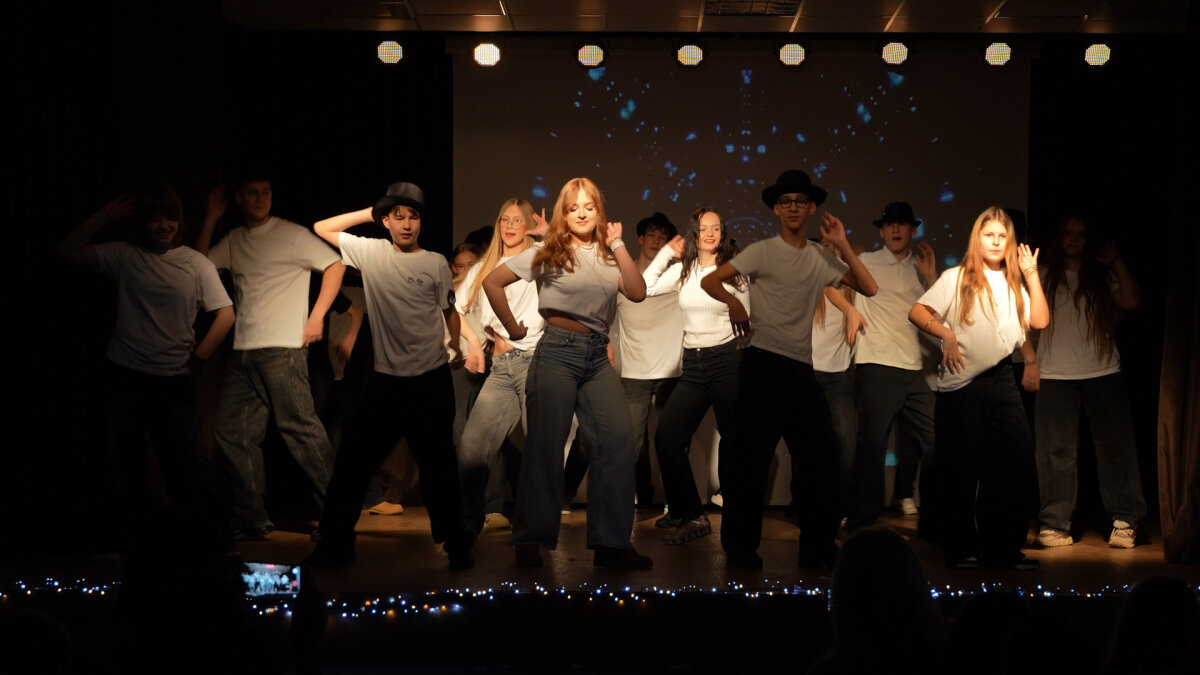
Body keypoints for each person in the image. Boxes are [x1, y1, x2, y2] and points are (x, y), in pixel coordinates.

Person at [700, 169, 878, 569]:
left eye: (800, 201)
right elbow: (712, 281)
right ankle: (741, 551)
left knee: (821, 461)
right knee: (750, 464)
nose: (793, 207)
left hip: (801, 371)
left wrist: (842, 244)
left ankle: (817, 549)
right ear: (776, 209)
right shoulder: (762, 251)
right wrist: (735, 303)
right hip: (762, 365)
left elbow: (868, 287)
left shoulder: (821, 257)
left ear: (811, 208)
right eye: (786, 201)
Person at [483, 177, 652, 569]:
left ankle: (612, 544)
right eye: (573, 207)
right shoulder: (548, 251)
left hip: (596, 356)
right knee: (545, 446)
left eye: (589, 207)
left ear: (599, 212)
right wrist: (512, 328)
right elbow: (493, 282)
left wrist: (619, 244)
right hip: (557, 351)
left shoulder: (610, 255)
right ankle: (530, 539)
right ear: (564, 212)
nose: (581, 213)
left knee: (617, 442)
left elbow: (637, 291)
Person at [57, 188, 235, 556]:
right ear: (144, 223)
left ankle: (205, 544)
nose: (164, 225)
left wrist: (200, 357)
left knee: (188, 462)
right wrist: (105, 215)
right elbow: (67, 251)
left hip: (174, 378)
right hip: (125, 375)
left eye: (170, 218)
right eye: (156, 218)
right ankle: (137, 547)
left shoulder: (194, 262)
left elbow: (226, 313)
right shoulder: (126, 253)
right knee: (126, 464)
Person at [305, 182, 474, 569]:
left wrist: (457, 342)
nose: (407, 224)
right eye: (398, 216)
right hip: (387, 383)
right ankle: (335, 544)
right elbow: (321, 228)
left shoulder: (435, 262)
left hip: (430, 380)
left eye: (413, 216)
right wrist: (372, 211)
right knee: (352, 464)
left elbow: (448, 311)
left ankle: (456, 544)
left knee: (439, 469)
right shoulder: (371, 252)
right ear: (385, 221)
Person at [196, 177, 344, 540]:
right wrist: (212, 217)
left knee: (301, 430)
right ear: (239, 198)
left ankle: (337, 518)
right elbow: (196, 268)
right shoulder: (235, 239)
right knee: (233, 431)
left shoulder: (290, 234)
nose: (261, 199)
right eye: (253, 193)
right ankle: (251, 518)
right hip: (243, 351)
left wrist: (317, 315)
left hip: (283, 348)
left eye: (266, 192)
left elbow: (335, 265)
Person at [909, 205, 1049, 570]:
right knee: (961, 470)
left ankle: (1002, 548)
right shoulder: (956, 277)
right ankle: (961, 548)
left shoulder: (1015, 283)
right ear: (978, 238)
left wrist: (1031, 275)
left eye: (1003, 236)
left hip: (1001, 380)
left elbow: (1039, 320)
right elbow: (918, 312)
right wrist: (946, 334)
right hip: (962, 384)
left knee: (1012, 465)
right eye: (989, 235)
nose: (996, 241)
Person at [1031, 215, 1146, 549]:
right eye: (1068, 233)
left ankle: (1126, 520)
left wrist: (1116, 262)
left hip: (1102, 371)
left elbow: (1131, 300)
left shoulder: (1100, 275)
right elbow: (1029, 319)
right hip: (1054, 374)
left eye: (1080, 234)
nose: (1073, 239)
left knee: (1115, 449)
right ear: (1059, 238)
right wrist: (1031, 362)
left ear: (1088, 239)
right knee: (1055, 453)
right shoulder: (1044, 274)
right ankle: (1055, 523)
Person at [642, 207, 748, 544]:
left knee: (735, 441)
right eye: (704, 228)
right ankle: (692, 515)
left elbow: (747, 319)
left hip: (728, 360)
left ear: (722, 233)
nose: (710, 233)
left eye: (716, 228)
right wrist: (665, 253)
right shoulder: (683, 271)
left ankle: (738, 519)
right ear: (694, 233)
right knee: (667, 439)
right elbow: (644, 287)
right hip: (693, 364)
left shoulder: (734, 270)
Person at [844, 201, 939, 532]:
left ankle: (935, 523)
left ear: (913, 230)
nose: (896, 229)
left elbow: (941, 316)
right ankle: (861, 522)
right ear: (882, 231)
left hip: (915, 370)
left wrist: (931, 278)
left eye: (902, 224)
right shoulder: (866, 262)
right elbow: (829, 283)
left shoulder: (921, 267)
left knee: (934, 443)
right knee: (872, 447)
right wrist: (849, 310)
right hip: (877, 365)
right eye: (890, 225)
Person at [456, 198, 547, 534]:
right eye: (504, 220)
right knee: (472, 448)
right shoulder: (484, 267)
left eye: (517, 220)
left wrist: (547, 237)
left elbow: (570, 260)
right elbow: (452, 309)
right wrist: (472, 341)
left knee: (538, 447)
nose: (509, 226)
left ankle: (532, 532)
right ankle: (468, 525)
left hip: (532, 361)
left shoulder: (538, 257)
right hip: (500, 367)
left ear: (528, 225)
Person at [612, 211, 684, 507]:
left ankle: (676, 502)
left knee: (672, 442)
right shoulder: (622, 276)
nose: (656, 241)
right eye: (651, 235)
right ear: (640, 239)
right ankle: (631, 498)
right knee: (631, 443)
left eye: (663, 237)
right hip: (634, 372)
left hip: (672, 371)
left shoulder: (678, 275)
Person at [810, 237, 861, 520]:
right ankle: (807, 504)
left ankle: (839, 508)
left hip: (839, 377)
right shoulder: (812, 284)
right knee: (811, 448)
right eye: (824, 250)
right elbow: (828, 287)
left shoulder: (853, 289)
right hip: (809, 376)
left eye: (834, 250)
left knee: (846, 446)